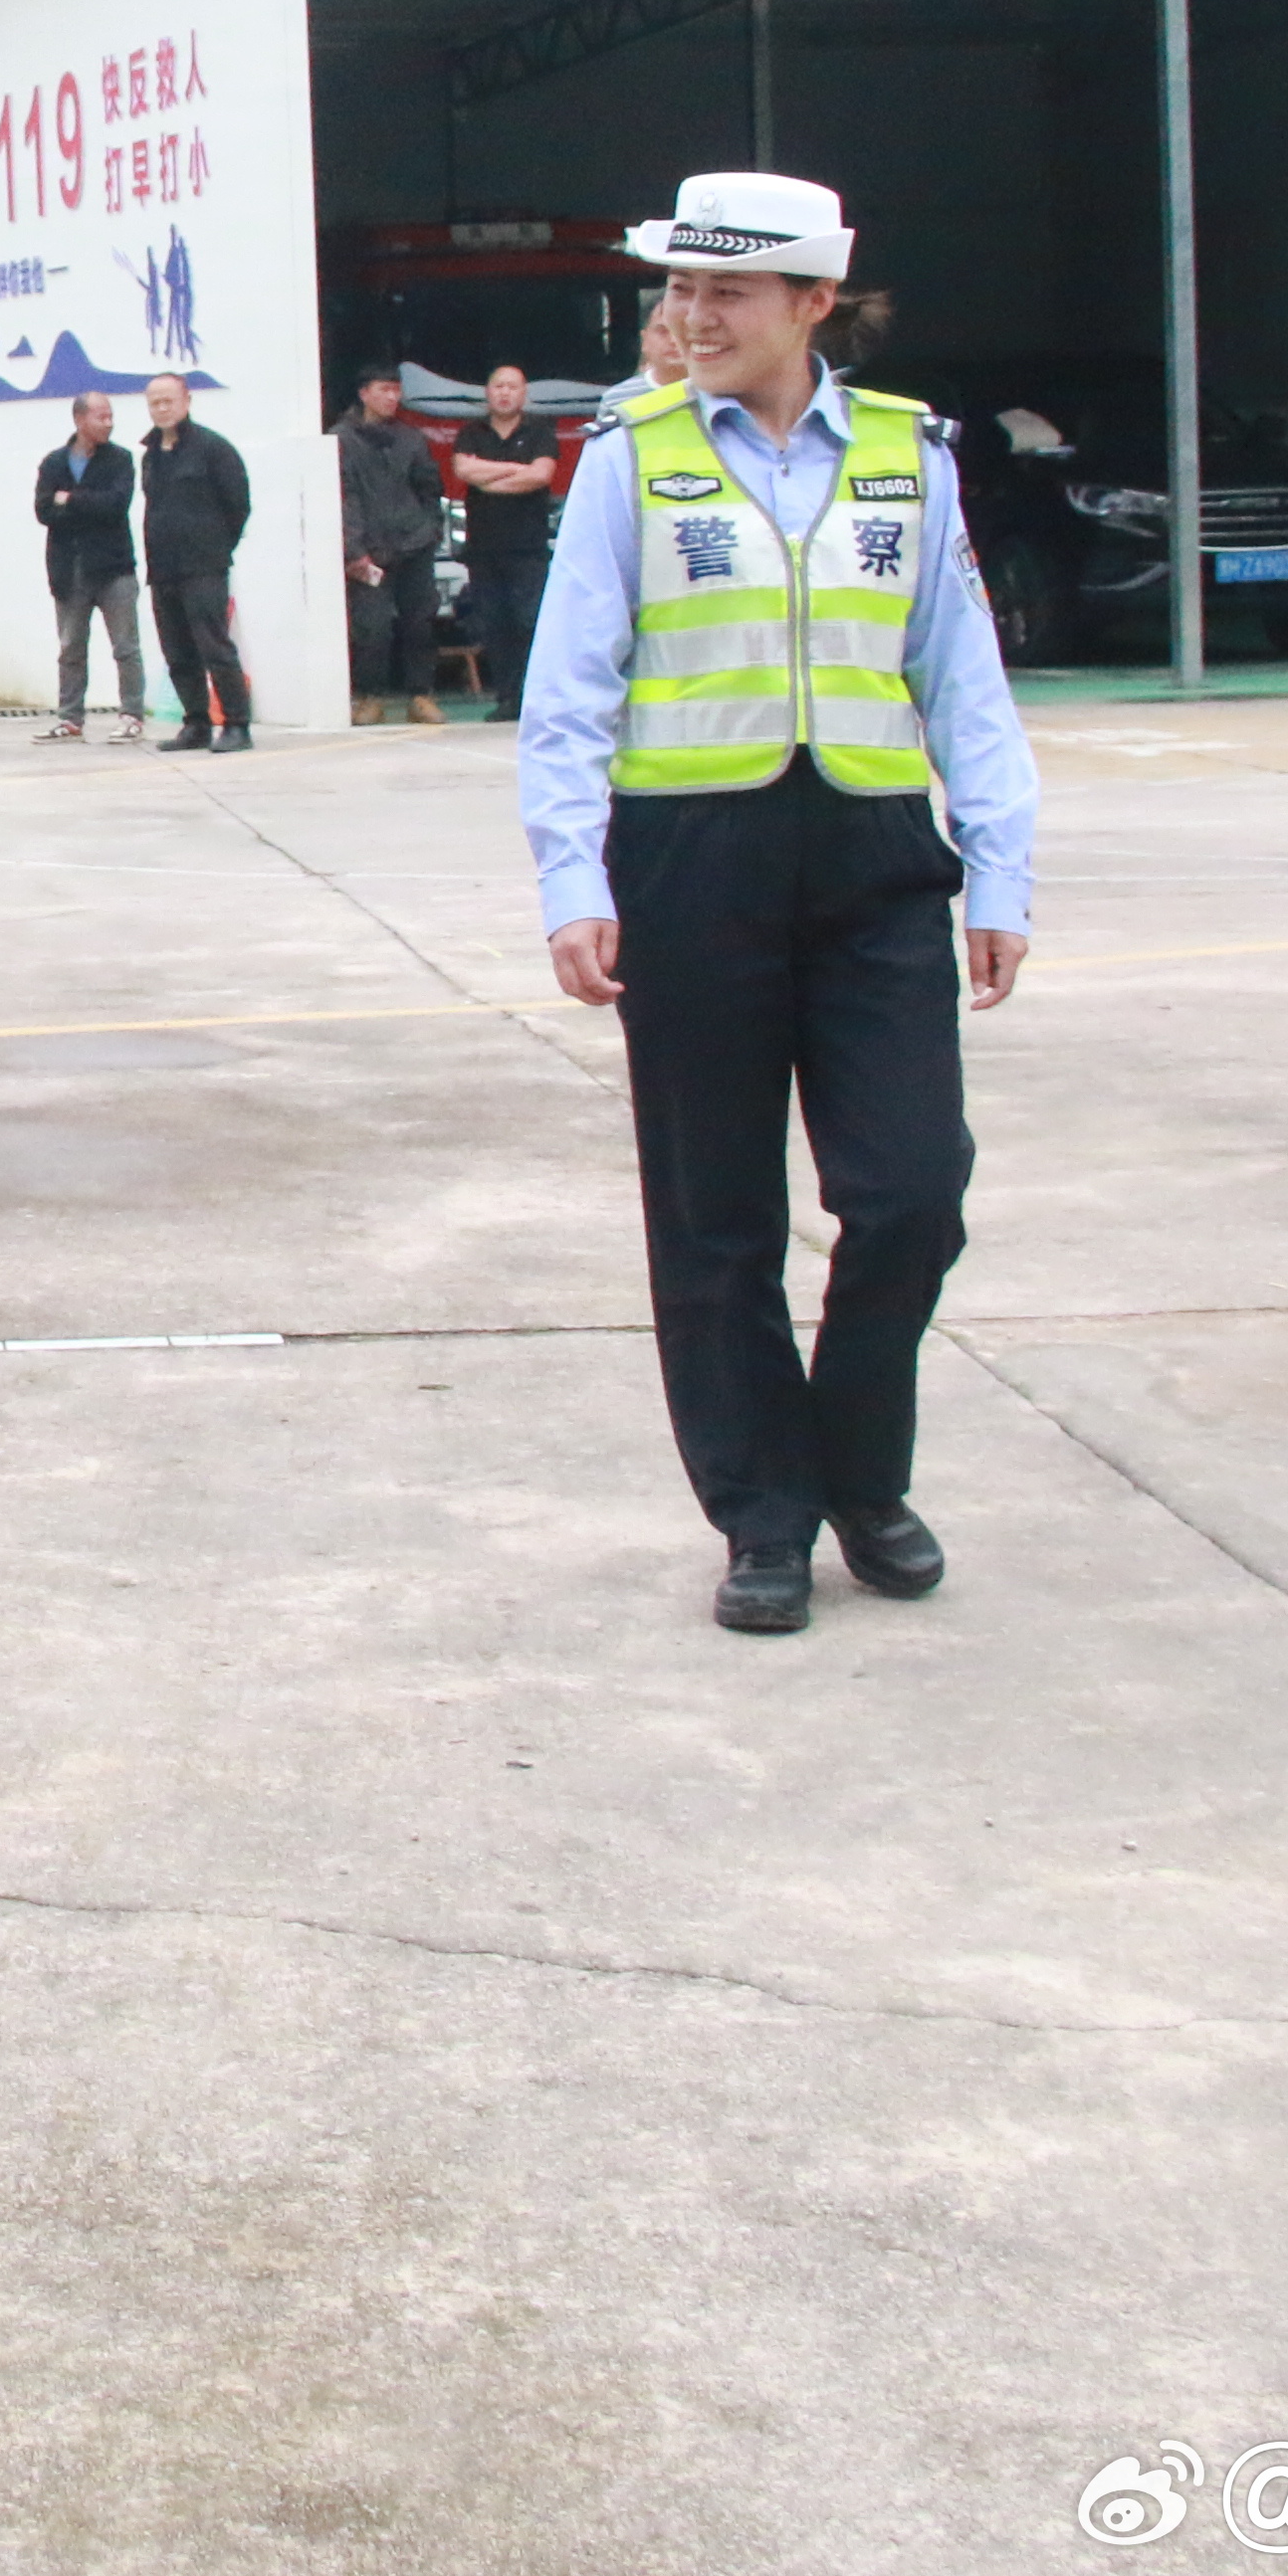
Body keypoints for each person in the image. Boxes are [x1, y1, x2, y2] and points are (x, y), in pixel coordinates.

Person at [521, 172, 1034, 1639]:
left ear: (816, 303)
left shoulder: (906, 452)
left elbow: (963, 675)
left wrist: (997, 865)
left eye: (727, 294)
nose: (693, 319)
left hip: (875, 864)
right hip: (691, 865)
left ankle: (862, 1472)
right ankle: (763, 1509)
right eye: (681, 291)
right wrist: (573, 878)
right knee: (715, 1217)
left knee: (910, 1193)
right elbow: (569, 689)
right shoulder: (633, 454)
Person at [135, 372, 253, 752]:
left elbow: (238, 506)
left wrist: (215, 548)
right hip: (163, 570)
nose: (162, 407)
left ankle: (236, 725)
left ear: (187, 401)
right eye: (155, 402)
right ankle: (195, 723)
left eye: (169, 400)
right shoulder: (151, 454)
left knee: (215, 648)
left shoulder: (213, 448)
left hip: (203, 568)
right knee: (177, 653)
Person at [444, 362, 561, 724]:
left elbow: (542, 475)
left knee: (530, 622)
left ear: (524, 394)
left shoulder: (540, 431)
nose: (505, 393)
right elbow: (464, 470)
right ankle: (507, 698)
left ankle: (536, 698)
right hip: (484, 549)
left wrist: (490, 475)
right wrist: (516, 469)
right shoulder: (471, 432)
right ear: (488, 392)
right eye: (498, 386)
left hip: (528, 548)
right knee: (494, 626)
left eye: (513, 387)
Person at [336, 367, 445, 727]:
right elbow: (342, 497)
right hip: (367, 550)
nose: (391, 398)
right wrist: (353, 550)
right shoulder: (341, 439)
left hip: (414, 545)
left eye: (396, 391)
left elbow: (430, 488)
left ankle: (421, 695)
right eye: (384, 390)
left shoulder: (411, 438)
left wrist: (430, 530)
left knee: (420, 623)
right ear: (364, 393)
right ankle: (370, 697)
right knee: (373, 627)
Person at [33, 392, 142, 745]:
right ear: (80, 420)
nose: (108, 423)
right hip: (69, 570)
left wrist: (72, 499)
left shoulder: (121, 460)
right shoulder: (53, 463)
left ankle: (131, 715)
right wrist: (82, 503)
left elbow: (115, 505)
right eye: (100, 417)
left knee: (125, 646)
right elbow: (44, 511)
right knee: (70, 649)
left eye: (110, 416)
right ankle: (70, 719)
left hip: (113, 569)